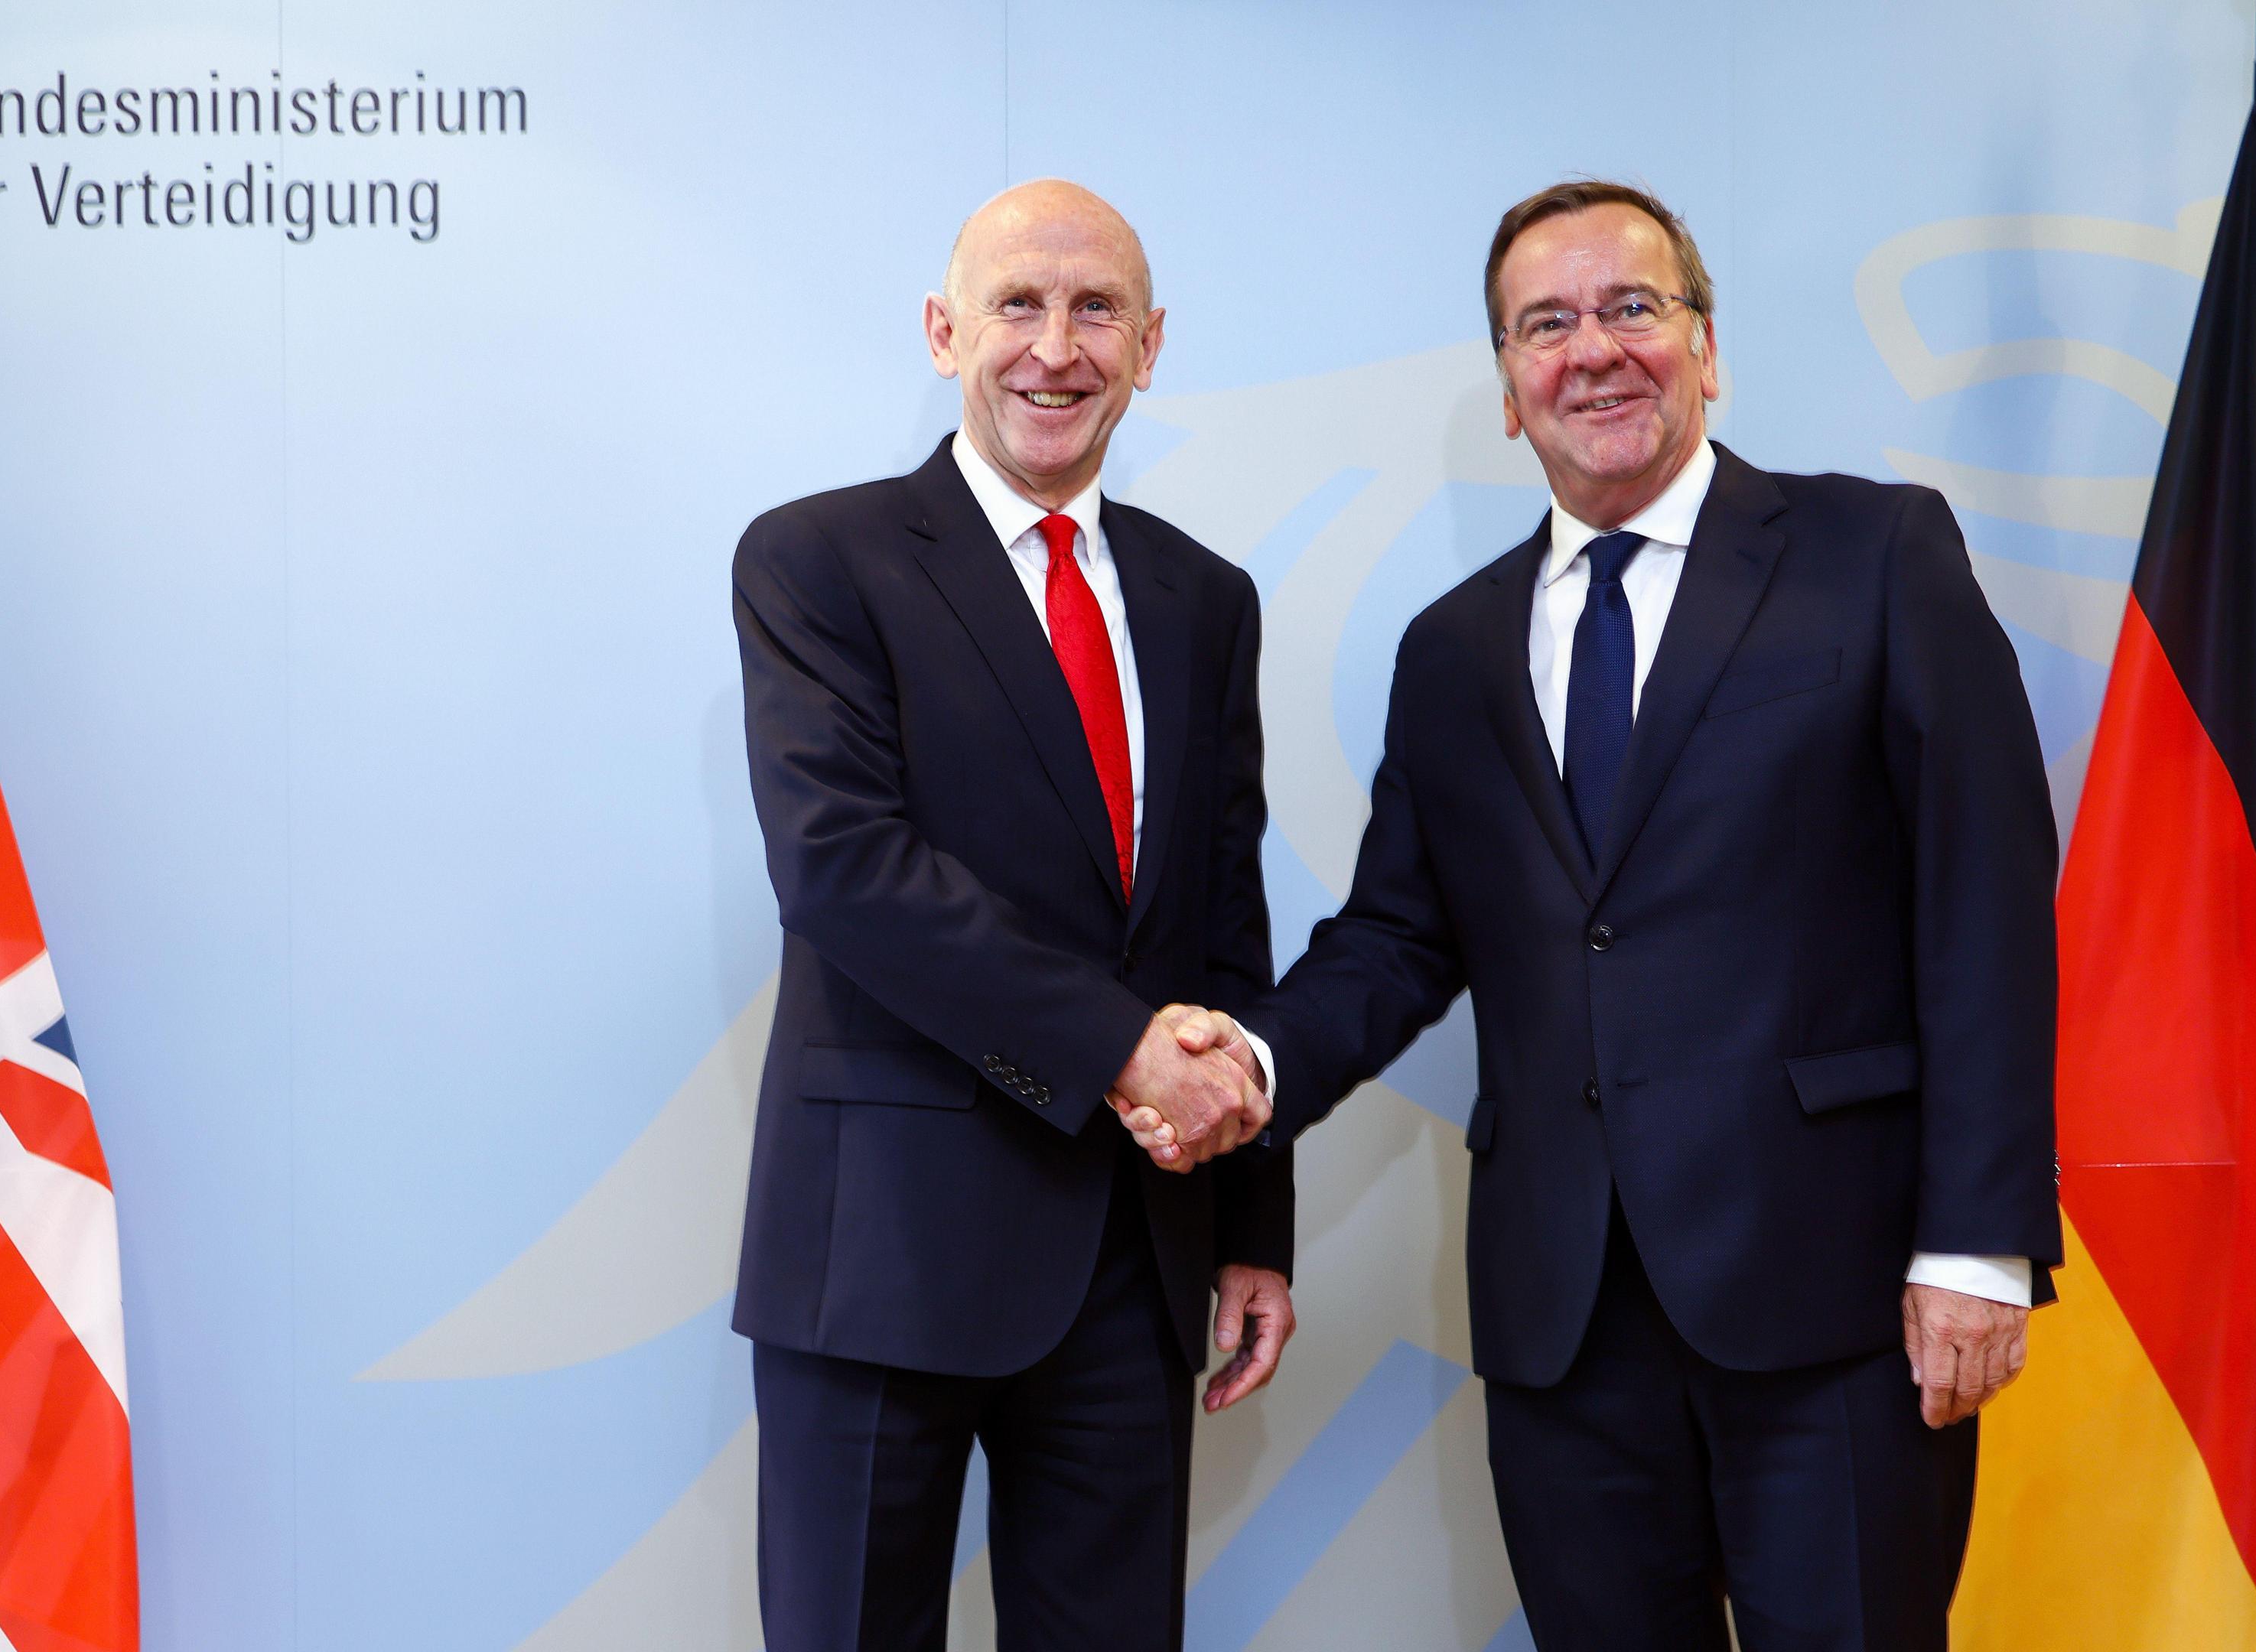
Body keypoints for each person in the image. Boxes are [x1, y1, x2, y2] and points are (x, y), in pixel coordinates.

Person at [1121, 180, 2061, 1650]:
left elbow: (1989, 897)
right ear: (1506, 391)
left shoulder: (1875, 557)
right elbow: (1394, 942)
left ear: (1705, 344)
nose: (1592, 350)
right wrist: (1250, 1069)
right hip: (1565, 1327)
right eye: (1544, 325)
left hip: (1837, 1306)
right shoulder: (1454, 652)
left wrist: (1977, 1248)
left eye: (1632, 306)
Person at [729, 178, 1295, 1652]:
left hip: (1134, 1250)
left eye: (1096, 308)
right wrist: (1123, 1051)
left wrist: (1252, 1221)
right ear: (944, 332)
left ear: (1151, 344)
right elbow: (845, 867)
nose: (1057, 347)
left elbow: (1223, 916)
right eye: (1018, 306)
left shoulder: (1203, 599)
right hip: (880, 1257)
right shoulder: (815, 560)